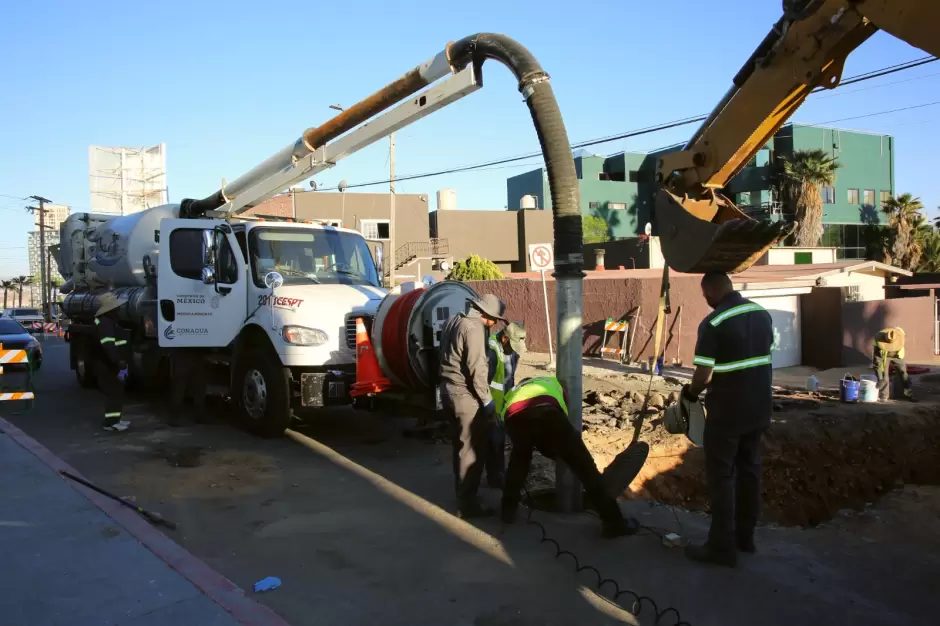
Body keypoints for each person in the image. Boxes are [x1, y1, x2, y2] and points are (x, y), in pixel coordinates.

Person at [682, 272, 774, 567]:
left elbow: (704, 375)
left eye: (705, 296)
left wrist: (691, 394)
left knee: (722, 477)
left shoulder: (714, 322)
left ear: (710, 293)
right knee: (750, 471)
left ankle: (722, 548)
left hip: (727, 412)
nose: (706, 301)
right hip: (759, 408)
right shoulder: (762, 314)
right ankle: (745, 539)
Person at [499, 376, 639, 538]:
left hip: (515, 418)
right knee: (586, 468)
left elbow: (507, 415)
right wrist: (563, 451)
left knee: (519, 460)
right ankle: (614, 522)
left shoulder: (516, 390)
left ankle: (507, 510)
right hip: (547, 413)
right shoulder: (552, 383)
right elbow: (559, 422)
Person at [439, 293, 507, 518]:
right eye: (495, 319)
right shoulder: (474, 328)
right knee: (472, 451)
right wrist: (487, 403)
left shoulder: (453, 320)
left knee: (460, 447)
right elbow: (477, 369)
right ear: (485, 314)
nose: (495, 323)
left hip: (448, 391)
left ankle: (462, 494)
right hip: (465, 397)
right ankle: (468, 505)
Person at [485, 322, 527, 488]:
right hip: (490, 406)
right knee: (494, 442)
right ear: (504, 339)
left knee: (499, 441)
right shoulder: (491, 351)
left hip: (503, 406)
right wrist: (489, 409)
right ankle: (495, 478)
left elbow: (509, 380)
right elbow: (482, 383)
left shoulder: (511, 351)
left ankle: (498, 475)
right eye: (513, 345)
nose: (515, 350)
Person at [94, 293, 131, 433]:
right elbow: (108, 345)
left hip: (119, 364)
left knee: (119, 390)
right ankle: (110, 422)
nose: (119, 309)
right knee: (114, 391)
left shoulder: (110, 321)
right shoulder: (105, 322)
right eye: (116, 307)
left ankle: (116, 419)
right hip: (111, 365)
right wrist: (118, 361)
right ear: (110, 309)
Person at [872, 327, 915, 401]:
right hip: (883, 356)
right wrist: (880, 379)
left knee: (903, 373)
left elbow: (901, 354)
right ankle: (884, 396)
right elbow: (877, 364)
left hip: (897, 355)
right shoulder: (878, 343)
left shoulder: (899, 336)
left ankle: (908, 393)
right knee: (884, 375)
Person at [168, 350, 209, 426]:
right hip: (195, 356)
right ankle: (200, 417)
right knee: (198, 389)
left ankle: (174, 418)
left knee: (179, 389)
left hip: (183, 357)